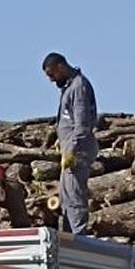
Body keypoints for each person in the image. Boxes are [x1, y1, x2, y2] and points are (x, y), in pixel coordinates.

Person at [42, 53, 98, 236]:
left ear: (60, 67)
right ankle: (69, 238)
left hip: (78, 151)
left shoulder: (78, 86)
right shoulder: (68, 88)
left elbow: (82, 125)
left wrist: (71, 148)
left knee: (74, 197)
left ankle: (78, 239)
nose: (51, 80)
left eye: (52, 74)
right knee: (66, 198)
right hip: (71, 150)